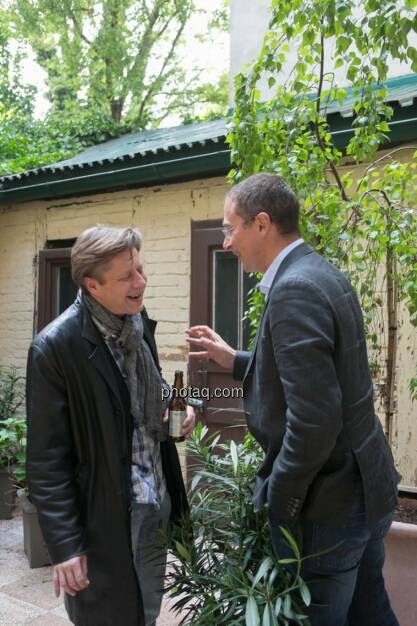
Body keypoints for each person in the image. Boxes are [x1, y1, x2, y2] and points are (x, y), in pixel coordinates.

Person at [186, 173, 400, 626]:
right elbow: (322, 380)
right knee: (371, 612)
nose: (226, 243)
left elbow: (314, 422)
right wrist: (235, 358)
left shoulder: (294, 290)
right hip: (367, 488)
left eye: (230, 228)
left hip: (330, 508)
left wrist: (280, 499)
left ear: (261, 223)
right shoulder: (321, 272)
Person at [26, 226, 194, 626]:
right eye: (126, 276)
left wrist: (179, 410)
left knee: (146, 606)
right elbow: (47, 462)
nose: (141, 281)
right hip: (107, 512)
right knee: (107, 614)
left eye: (140, 268)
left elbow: (143, 396)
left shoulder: (135, 322)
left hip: (155, 493)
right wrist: (66, 546)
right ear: (92, 285)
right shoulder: (54, 349)